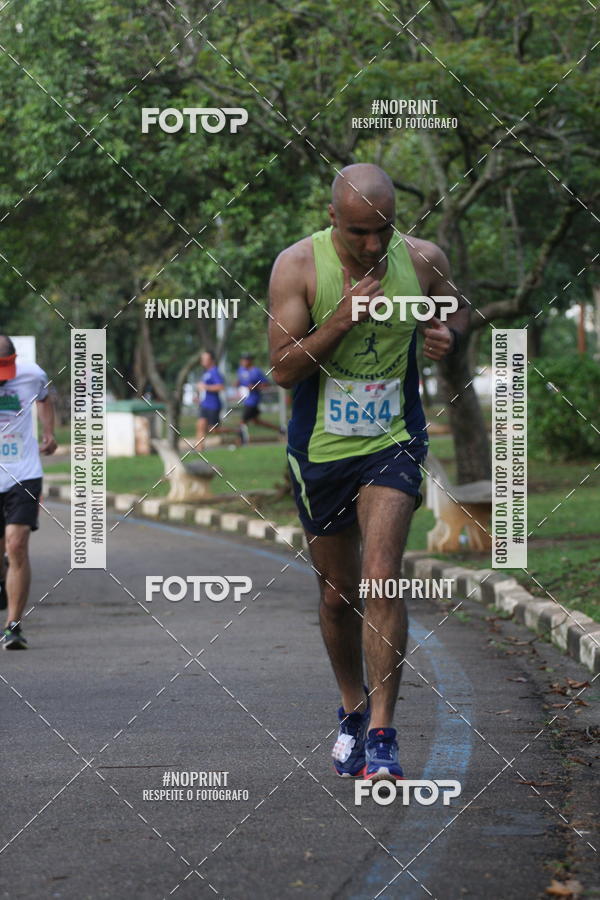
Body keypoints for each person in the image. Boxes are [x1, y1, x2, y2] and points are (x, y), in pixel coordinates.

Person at [268, 163, 468, 781]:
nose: (374, 245)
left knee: (382, 577)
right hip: (322, 451)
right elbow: (281, 368)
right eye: (359, 232)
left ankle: (383, 734)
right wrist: (340, 320)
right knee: (338, 594)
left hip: (394, 443)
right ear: (334, 219)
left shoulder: (424, 260)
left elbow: (458, 311)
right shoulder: (297, 267)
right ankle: (352, 710)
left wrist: (446, 335)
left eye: (384, 230)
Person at [0, 336, 57, 649]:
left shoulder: (32, 373)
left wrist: (49, 432)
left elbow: (44, 398)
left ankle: (13, 625)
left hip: (23, 472)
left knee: (17, 545)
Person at [194, 350, 240, 450]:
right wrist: (198, 396)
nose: (202, 361)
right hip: (204, 404)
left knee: (213, 430)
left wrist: (205, 387)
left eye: (205, 359)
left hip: (213, 405)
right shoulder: (206, 372)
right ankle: (199, 449)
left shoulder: (214, 371)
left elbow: (220, 387)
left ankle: (237, 431)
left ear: (211, 360)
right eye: (202, 358)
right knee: (200, 425)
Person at [236, 352, 282, 443]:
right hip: (245, 400)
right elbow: (240, 381)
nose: (244, 362)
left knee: (242, 421)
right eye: (242, 360)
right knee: (256, 421)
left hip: (253, 400)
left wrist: (255, 387)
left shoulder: (256, 371)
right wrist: (238, 385)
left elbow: (266, 384)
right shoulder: (240, 370)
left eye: (246, 360)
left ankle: (241, 440)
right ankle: (281, 430)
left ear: (250, 361)